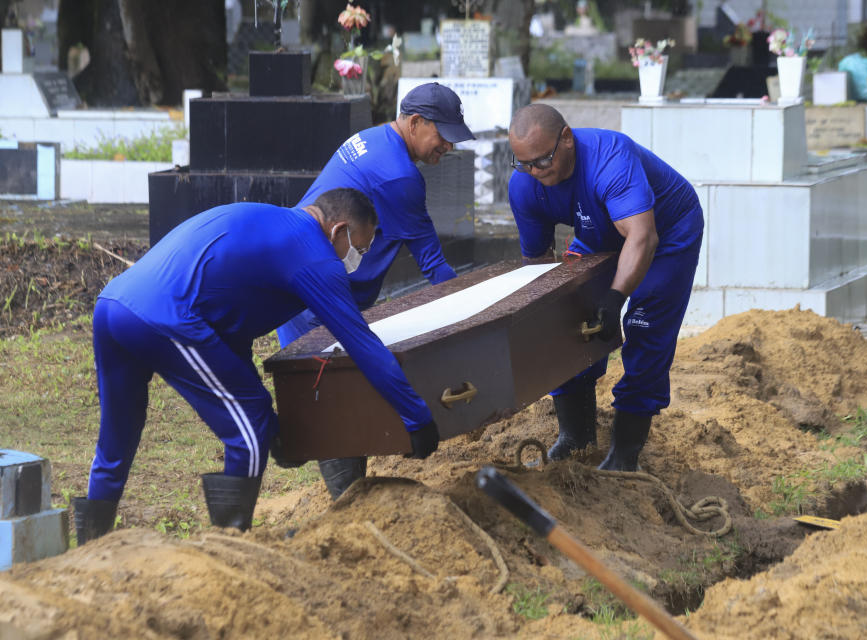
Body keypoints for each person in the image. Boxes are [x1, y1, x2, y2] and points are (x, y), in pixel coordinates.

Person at [71, 188, 440, 544]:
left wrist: (273, 424)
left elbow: (232, 332)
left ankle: (90, 548)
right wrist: (416, 416)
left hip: (113, 305)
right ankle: (233, 550)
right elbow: (361, 343)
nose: (356, 258)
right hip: (163, 317)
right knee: (247, 432)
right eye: (358, 248)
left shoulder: (271, 223)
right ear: (338, 230)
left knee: (117, 437)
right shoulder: (316, 256)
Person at [274, 81, 475, 499]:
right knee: (336, 395)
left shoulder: (370, 139)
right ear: (416, 122)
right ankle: (348, 506)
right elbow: (433, 264)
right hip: (322, 295)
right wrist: (473, 310)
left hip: (303, 276)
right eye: (443, 136)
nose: (448, 148)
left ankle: (346, 493)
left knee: (333, 394)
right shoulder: (399, 177)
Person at [507, 103, 703, 472]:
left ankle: (624, 453)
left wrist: (615, 298)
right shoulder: (525, 185)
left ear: (566, 138)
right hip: (599, 232)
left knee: (645, 327)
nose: (535, 172)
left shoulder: (610, 157)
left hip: (664, 231)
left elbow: (642, 237)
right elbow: (537, 265)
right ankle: (575, 438)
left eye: (542, 161)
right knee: (565, 318)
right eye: (524, 164)